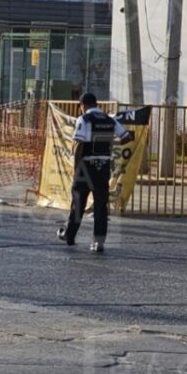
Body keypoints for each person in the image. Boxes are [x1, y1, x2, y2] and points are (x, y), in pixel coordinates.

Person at [57, 92, 133, 253]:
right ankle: (98, 242)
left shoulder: (84, 119)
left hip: (86, 165)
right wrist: (109, 141)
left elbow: (79, 144)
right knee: (100, 205)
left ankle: (69, 236)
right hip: (103, 167)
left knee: (78, 203)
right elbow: (126, 137)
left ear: (83, 105)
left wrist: (77, 167)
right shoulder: (109, 119)